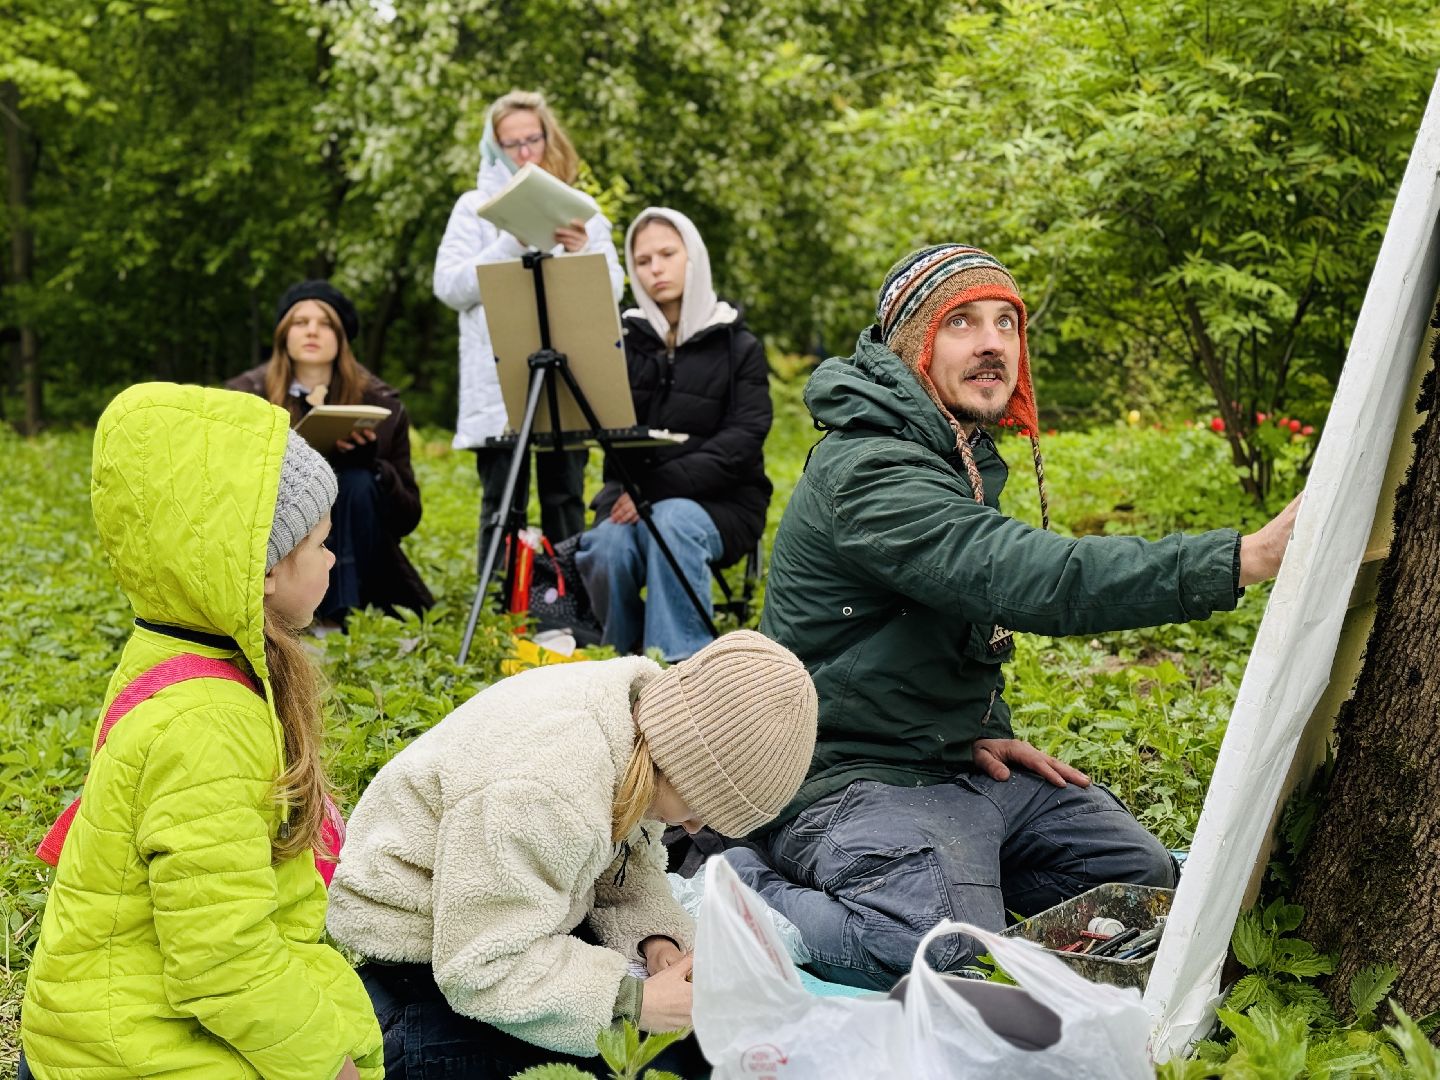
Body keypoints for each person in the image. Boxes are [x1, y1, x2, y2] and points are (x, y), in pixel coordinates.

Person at [727, 244, 1303, 990]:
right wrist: (1243, 559)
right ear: (914, 347)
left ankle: (954, 888)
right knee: (934, 956)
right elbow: (1032, 578)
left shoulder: (953, 451)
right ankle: (739, 876)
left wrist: (985, 722)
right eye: (962, 322)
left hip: (952, 759)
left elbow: (964, 613)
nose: (994, 341)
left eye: (1007, 322)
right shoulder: (871, 471)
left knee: (1135, 882)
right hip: (851, 776)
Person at [19, 383, 382, 1079]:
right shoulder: (210, 727)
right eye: (321, 543)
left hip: (114, 1021)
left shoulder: (169, 651)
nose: (334, 561)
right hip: (129, 1053)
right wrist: (324, 1063)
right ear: (267, 569)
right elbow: (222, 958)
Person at [325, 630, 818, 1078]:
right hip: (417, 977)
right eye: (700, 806)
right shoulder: (548, 789)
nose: (694, 827)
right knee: (659, 1064)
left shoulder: (636, 727)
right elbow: (479, 966)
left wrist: (655, 943)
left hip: (497, 934)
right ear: (683, 759)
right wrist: (635, 1000)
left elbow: (622, 864)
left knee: (702, 1046)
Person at [576, 208, 772, 660]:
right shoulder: (621, 344)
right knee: (605, 543)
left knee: (672, 520)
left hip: (723, 504)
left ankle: (681, 668)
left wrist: (655, 488)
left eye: (667, 254)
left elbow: (742, 442)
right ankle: (618, 663)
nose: (656, 269)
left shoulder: (738, 346)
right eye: (643, 261)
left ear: (693, 257)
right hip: (630, 498)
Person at [434, 89, 624, 551]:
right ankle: (503, 612)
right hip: (499, 379)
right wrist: (510, 243)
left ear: (548, 138)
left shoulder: (580, 208)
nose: (524, 152)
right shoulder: (473, 208)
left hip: (567, 376)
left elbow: (613, 291)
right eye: (511, 143)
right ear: (494, 146)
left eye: (532, 139)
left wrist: (583, 253)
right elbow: (448, 286)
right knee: (503, 504)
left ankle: (569, 606)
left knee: (565, 498)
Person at [227, 280, 433, 628]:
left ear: (341, 338)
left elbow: (407, 517)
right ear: (283, 335)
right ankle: (297, 612)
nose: (312, 331)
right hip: (279, 542)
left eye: (325, 324)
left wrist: (377, 469)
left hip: (364, 544)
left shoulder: (382, 404)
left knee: (356, 480)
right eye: (300, 322)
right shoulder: (247, 398)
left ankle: (343, 618)